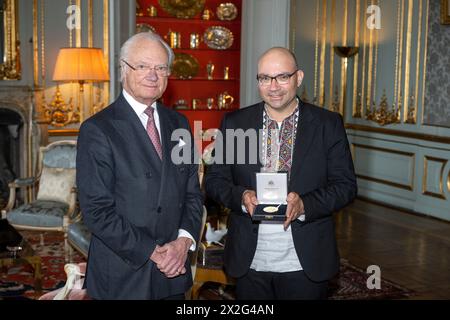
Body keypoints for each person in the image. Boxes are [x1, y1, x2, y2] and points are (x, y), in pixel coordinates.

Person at [205, 47, 357, 300]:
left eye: (282, 77)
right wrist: (241, 197)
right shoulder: (235, 122)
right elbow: (215, 180)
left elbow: (345, 186)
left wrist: (305, 204)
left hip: (305, 259)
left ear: (299, 77)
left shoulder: (327, 124)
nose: (273, 86)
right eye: (265, 78)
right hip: (250, 258)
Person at [76, 32, 203, 300]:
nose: (152, 75)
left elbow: (192, 194)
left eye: (160, 68)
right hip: (123, 273)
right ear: (123, 69)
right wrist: (153, 251)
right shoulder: (97, 129)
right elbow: (96, 211)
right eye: (143, 66)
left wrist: (183, 242)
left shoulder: (179, 124)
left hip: (172, 271)